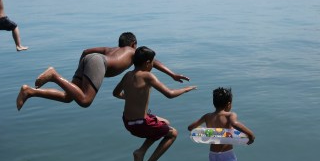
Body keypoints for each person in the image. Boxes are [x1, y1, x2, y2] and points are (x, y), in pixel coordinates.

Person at [16, 32, 190, 110]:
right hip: (98, 63)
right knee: (85, 101)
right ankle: (54, 75)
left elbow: (85, 52)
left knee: (69, 97)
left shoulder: (111, 49)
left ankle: (30, 91)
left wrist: (81, 73)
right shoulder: (131, 52)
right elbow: (153, 61)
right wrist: (172, 74)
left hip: (90, 59)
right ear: (133, 44)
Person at [113, 46, 196, 161]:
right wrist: (186, 89)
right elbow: (169, 94)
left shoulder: (127, 75)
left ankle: (141, 152)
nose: (153, 64)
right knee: (173, 134)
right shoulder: (148, 76)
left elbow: (115, 93)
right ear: (147, 63)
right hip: (139, 124)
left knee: (164, 123)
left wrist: (130, 97)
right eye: (152, 62)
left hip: (128, 121)